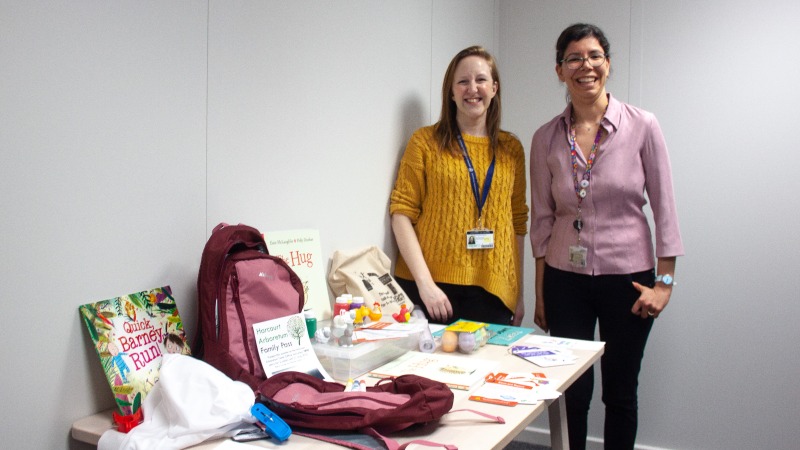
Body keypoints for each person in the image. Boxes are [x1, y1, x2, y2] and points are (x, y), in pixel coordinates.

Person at [529, 24, 684, 449]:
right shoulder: (545, 137)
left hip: (628, 279)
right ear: (560, 70)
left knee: (619, 391)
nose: (586, 66)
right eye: (574, 58)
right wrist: (542, 295)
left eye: (595, 56)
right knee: (572, 392)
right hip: (565, 279)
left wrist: (664, 285)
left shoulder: (642, 126)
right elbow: (542, 221)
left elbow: (666, 208)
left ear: (608, 64)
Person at [389, 45, 528, 326]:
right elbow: (401, 213)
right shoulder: (425, 142)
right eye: (462, 81)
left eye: (481, 80)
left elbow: (518, 223)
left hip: (493, 292)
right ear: (451, 92)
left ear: (494, 88)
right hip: (431, 291)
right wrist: (425, 285)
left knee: (490, 371)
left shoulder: (511, 148)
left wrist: (518, 293)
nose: (472, 88)